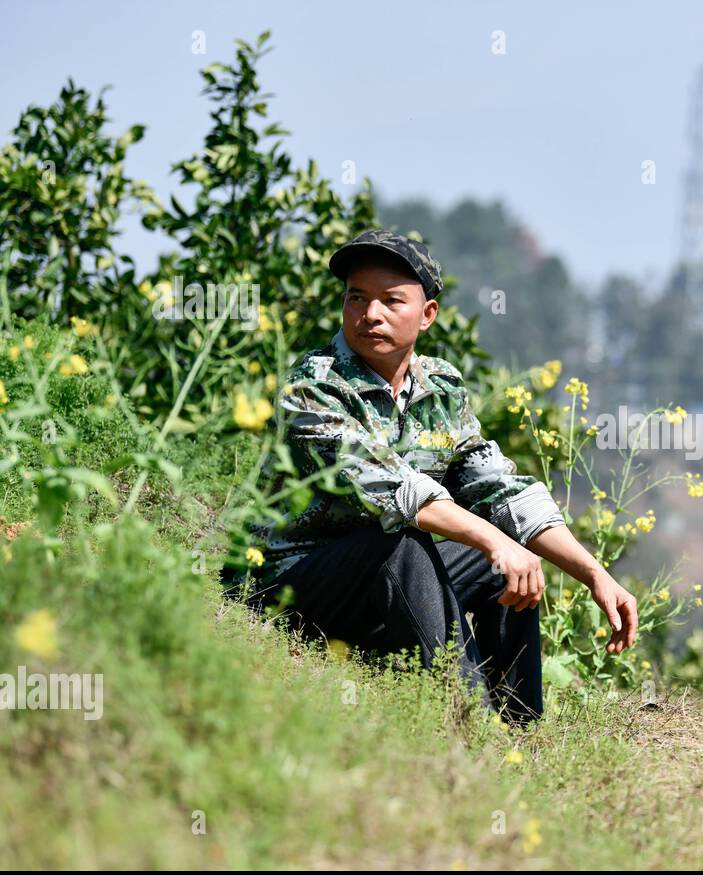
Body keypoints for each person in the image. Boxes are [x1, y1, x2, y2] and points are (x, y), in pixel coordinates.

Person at [224, 229, 637, 724]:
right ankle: (472, 725)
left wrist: (594, 574)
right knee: (405, 542)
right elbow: (393, 490)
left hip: (383, 587)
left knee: (506, 564)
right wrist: (491, 539)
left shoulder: (441, 386)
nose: (370, 314)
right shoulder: (314, 384)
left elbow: (498, 486)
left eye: (391, 301)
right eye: (357, 298)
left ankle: (522, 727)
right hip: (293, 585)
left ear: (428, 315)